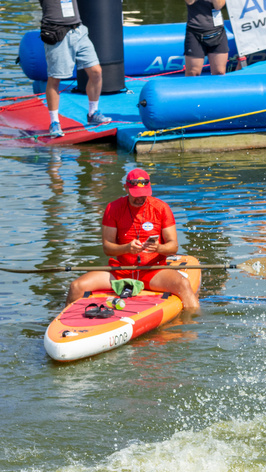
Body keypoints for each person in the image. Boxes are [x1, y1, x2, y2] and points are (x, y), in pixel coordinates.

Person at [65, 168, 200, 310]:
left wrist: (158, 248)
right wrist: (127, 248)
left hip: (153, 270)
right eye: (136, 194)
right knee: (76, 286)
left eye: (144, 194)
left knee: (183, 285)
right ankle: (63, 326)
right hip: (122, 271)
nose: (140, 198)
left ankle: (193, 324)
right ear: (126, 188)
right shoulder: (113, 208)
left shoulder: (161, 208)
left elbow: (173, 247)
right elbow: (107, 248)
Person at [38, 0, 111, 138]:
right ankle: (54, 122)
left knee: (96, 71)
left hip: (78, 30)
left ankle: (92, 113)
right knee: (55, 77)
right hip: (56, 31)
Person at [184, 0, 229, 76]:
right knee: (193, 72)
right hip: (195, 32)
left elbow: (218, 6)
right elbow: (190, 1)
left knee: (219, 72)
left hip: (217, 32)